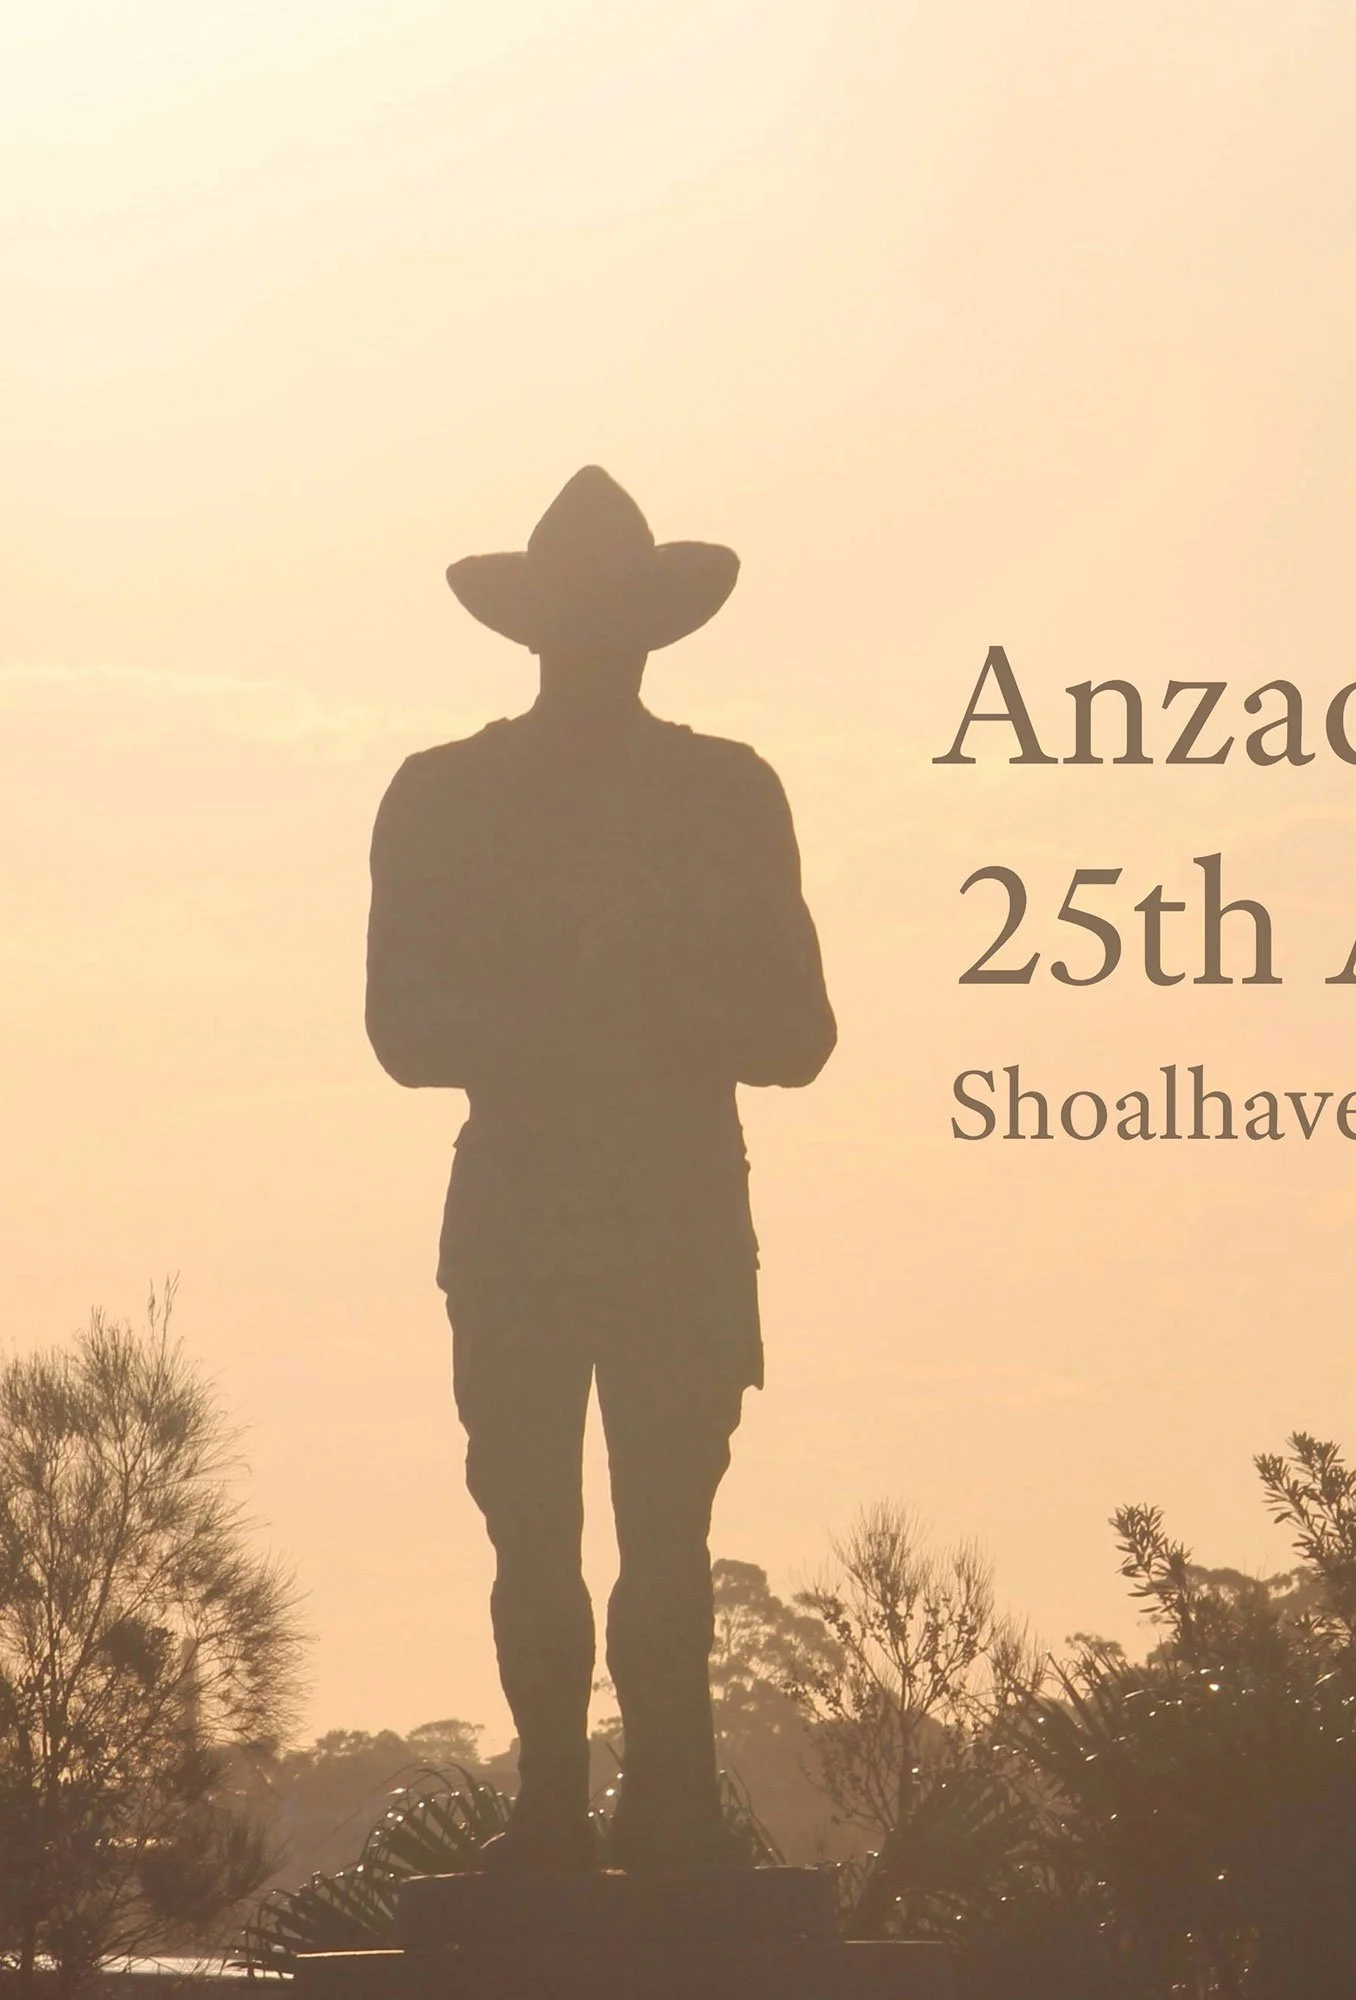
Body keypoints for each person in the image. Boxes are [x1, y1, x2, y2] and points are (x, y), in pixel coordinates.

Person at [364, 467, 835, 1872]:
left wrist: (642, 1014)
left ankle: (672, 1807)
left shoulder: (723, 791)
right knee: (534, 1529)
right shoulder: (444, 797)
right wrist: (581, 1020)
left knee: (663, 1534)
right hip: (534, 1217)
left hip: (665, 1218)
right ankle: (556, 1814)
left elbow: (799, 1031)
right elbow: (401, 1029)